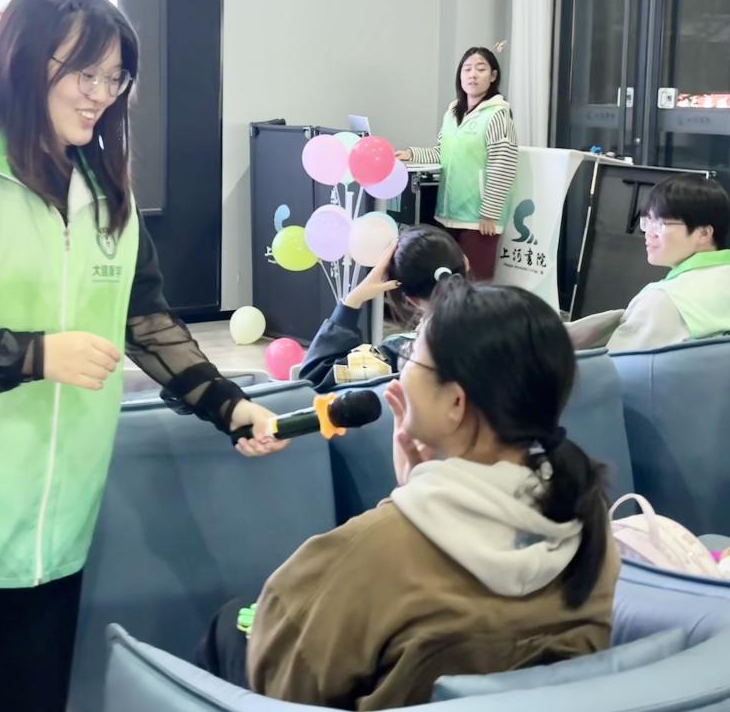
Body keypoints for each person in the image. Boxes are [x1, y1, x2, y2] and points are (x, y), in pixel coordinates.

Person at [0, 0, 287, 712]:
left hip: (44, 529)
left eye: (115, 78)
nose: (101, 94)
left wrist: (229, 406)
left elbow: (145, 320)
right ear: (24, 60)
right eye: (85, 73)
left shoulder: (106, 192)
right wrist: (36, 355)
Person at [200, 280, 619, 708]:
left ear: (455, 403)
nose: (400, 373)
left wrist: (404, 510)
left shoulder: (372, 551)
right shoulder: (587, 522)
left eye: (412, 356)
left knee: (231, 625)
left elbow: (286, 684)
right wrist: (417, 492)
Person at [567, 175, 730, 353]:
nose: (648, 232)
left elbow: (612, 371)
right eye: (647, 221)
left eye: (661, 223)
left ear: (704, 233)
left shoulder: (663, 299)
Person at [395, 46, 517, 281]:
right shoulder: (453, 113)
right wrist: (411, 154)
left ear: (493, 76)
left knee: (475, 284)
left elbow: (503, 164)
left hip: (479, 220)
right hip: (448, 214)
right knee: (448, 283)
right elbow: (442, 153)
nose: (473, 75)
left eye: (480, 69)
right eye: (467, 69)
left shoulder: (498, 115)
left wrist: (490, 213)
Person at [299, 225, 466, 390]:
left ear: (411, 299)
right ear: (465, 264)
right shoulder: (482, 327)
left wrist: (353, 300)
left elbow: (314, 376)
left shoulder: (405, 353)